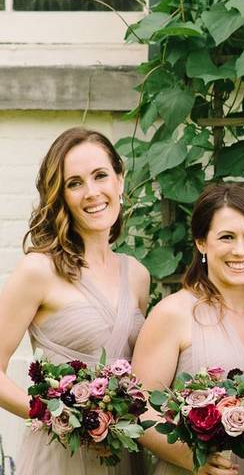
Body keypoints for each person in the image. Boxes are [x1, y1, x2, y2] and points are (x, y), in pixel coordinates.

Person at [0, 127, 150, 474]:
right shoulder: (38, 270)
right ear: (61, 195)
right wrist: (55, 414)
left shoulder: (138, 275)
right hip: (59, 456)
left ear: (120, 180)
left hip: (124, 454)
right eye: (75, 183)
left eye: (100, 176)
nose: (92, 192)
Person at [133, 184, 244, 475]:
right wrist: (192, 457)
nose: (240, 250)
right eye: (227, 237)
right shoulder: (174, 314)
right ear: (202, 242)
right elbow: (138, 409)